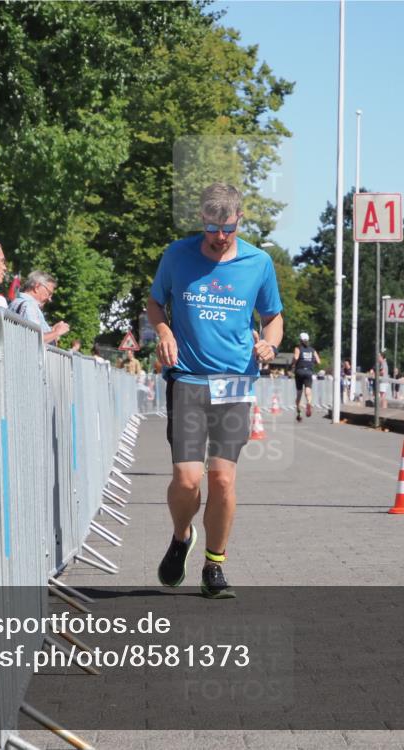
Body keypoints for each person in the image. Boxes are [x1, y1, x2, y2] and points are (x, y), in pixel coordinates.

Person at [147, 182, 283, 599]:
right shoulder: (177, 255)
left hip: (236, 381)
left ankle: (214, 565)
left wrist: (269, 343)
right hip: (188, 378)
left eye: (226, 227)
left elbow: (273, 316)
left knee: (222, 479)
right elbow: (155, 303)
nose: (219, 236)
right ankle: (181, 535)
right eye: (211, 227)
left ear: (239, 219)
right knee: (188, 480)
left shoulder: (259, 263)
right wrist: (164, 329)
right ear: (201, 222)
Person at [9, 271, 70, 345]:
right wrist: (57, 332)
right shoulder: (29, 306)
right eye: (49, 293)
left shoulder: (16, 302)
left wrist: (52, 331)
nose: (49, 299)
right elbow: (34, 340)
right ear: (37, 287)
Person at [292, 332, 319, 421]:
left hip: (299, 371)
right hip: (309, 372)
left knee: (299, 393)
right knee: (308, 391)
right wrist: (312, 362)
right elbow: (318, 361)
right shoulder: (312, 350)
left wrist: (292, 364)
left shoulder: (298, 348)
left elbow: (296, 358)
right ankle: (309, 403)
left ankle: (299, 413)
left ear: (300, 340)